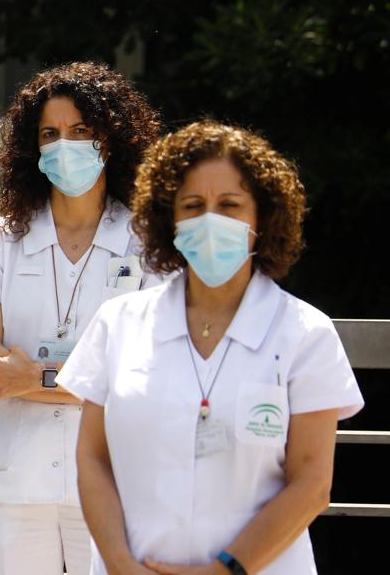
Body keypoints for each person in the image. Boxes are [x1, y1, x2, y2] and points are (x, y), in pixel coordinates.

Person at [59, 121, 364, 575]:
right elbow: (92, 457)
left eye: (230, 205)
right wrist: (120, 564)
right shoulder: (118, 324)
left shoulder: (305, 334)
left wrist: (226, 570)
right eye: (193, 205)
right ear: (169, 218)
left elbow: (312, 483)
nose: (210, 220)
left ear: (263, 217)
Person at [0, 62, 162, 574]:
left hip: (113, 478)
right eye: (50, 134)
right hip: (11, 482)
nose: (64, 144)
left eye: (80, 131)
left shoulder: (149, 241)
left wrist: (33, 377)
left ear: (111, 140)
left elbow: (144, 373)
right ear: (32, 148)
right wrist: (90, 376)